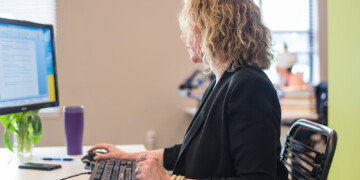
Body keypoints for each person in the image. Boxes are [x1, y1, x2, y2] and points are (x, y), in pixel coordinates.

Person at [89, 0, 288, 179]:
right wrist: (126, 157)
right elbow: (189, 151)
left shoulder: (250, 86)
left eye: (188, 27)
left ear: (212, 29)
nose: (183, 35)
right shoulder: (221, 82)